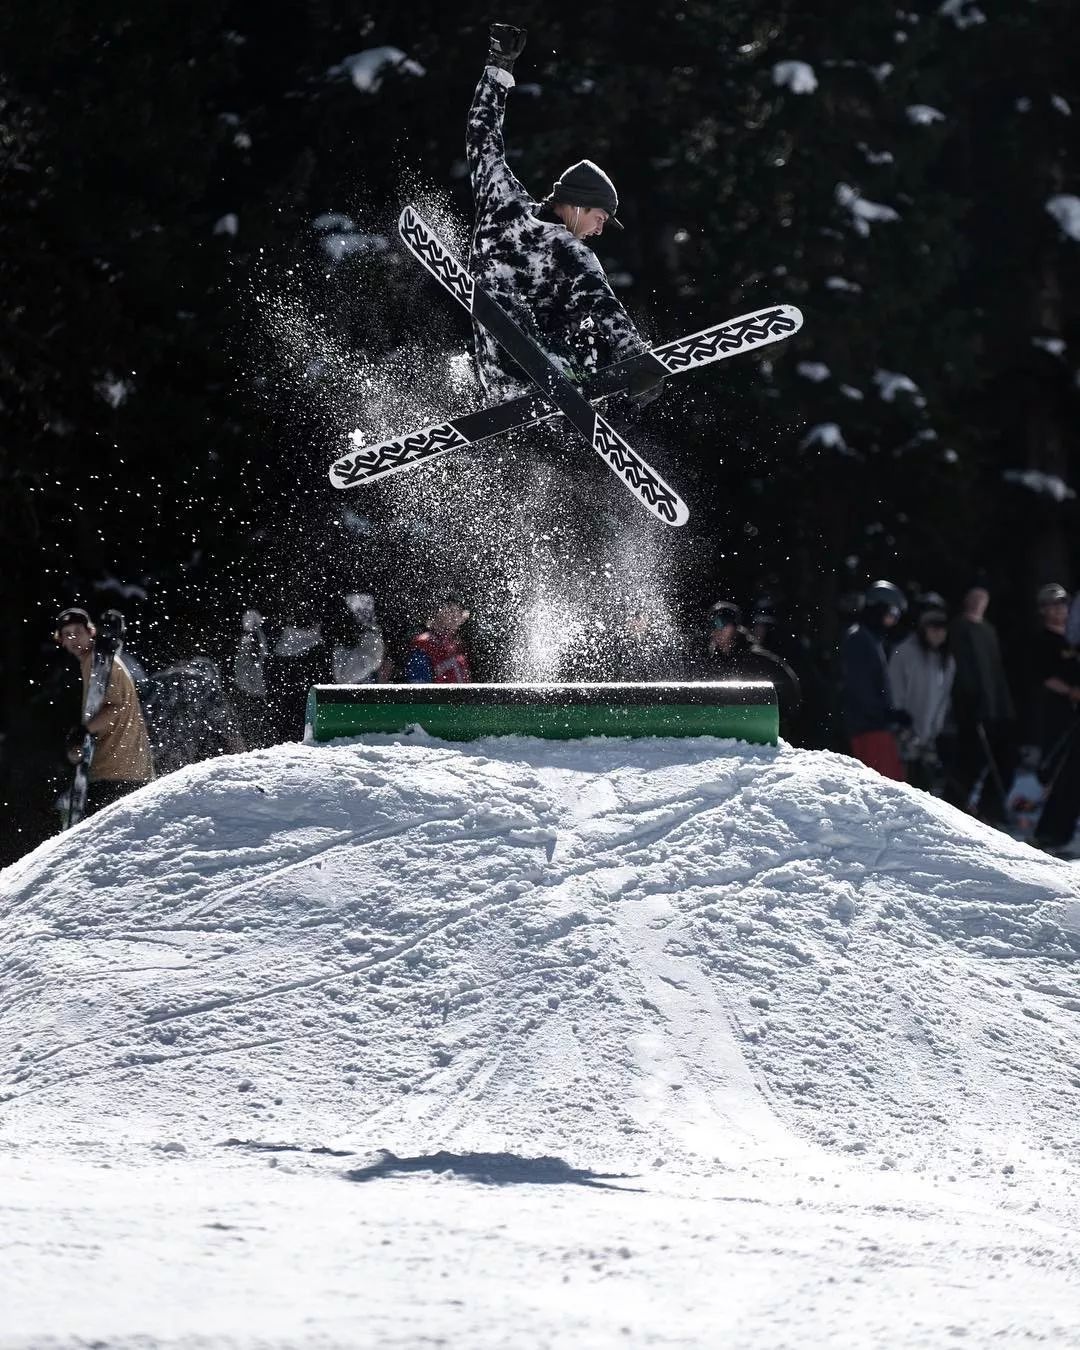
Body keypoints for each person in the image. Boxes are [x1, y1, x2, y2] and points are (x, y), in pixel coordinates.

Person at [466, 24, 663, 408]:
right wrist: (498, 68)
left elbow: (603, 305)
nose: (600, 230)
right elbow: (482, 137)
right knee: (521, 306)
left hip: (554, 376)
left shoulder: (570, 251)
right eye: (600, 218)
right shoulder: (506, 204)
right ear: (576, 205)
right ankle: (537, 380)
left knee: (586, 327)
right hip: (504, 371)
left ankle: (597, 391)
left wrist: (635, 362)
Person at [54, 607, 154, 815]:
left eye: (77, 632)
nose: (73, 638)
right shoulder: (95, 663)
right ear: (60, 640)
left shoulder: (97, 662)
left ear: (90, 632)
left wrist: (84, 731)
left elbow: (117, 707)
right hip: (123, 768)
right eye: (66, 634)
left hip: (118, 772)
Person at [946, 583, 1017, 825]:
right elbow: (963, 667)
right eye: (974, 598)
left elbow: (995, 670)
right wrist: (969, 700)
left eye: (982, 599)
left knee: (1002, 759)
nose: (978, 603)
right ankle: (954, 806)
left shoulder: (988, 630)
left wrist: (1003, 704)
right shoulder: (959, 627)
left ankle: (990, 810)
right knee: (970, 759)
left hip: (995, 706)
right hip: (971, 705)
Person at [690, 599, 802, 736]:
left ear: (735, 626)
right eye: (712, 625)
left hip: (759, 736)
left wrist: (777, 726)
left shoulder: (758, 660)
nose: (717, 630)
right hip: (722, 737)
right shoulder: (710, 663)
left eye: (722, 623)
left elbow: (789, 693)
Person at [1028, 583, 1080, 854]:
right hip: (1056, 713)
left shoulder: (1072, 639)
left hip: (1074, 714)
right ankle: (1049, 833)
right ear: (1043, 610)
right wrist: (1071, 691)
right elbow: (1044, 677)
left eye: (1061, 605)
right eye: (1052, 606)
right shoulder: (1043, 640)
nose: (1058, 611)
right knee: (1059, 772)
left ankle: (1063, 832)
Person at [840, 580, 909, 781]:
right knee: (887, 788)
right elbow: (861, 688)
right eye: (892, 613)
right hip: (869, 729)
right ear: (879, 609)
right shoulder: (859, 639)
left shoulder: (870, 639)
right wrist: (886, 715)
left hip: (874, 727)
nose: (894, 621)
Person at [888, 608, 955, 792]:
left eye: (942, 627)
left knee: (927, 789)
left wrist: (935, 730)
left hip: (928, 738)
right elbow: (895, 687)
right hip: (903, 732)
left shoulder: (946, 660)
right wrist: (899, 719)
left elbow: (943, 698)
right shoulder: (904, 652)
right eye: (933, 627)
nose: (938, 632)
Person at [405, 595, 473, 684]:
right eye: (450, 611)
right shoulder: (423, 644)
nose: (455, 616)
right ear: (435, 614)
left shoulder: (456, 645)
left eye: (459, 612)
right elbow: (418, 687)